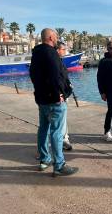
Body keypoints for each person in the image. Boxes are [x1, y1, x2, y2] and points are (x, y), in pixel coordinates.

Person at [29, 28, 78, 177]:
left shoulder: (36, 53)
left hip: (41, 99)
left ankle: (44, 160)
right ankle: (59, 165)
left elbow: (32, 74)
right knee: (57, 131)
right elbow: (56, 76)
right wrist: (60, 94)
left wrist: (40, 90)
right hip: (53, 100)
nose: (57, 38)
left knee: (43, 129)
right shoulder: (51, 53)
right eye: (55, 36)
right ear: (50, 37)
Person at [55, 41, 73, 151]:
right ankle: (61, 141)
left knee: (63, 120)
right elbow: (56, 79)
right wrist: (60, 94)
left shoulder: (60, 61)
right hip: (60, 96)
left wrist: (69, 87)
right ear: (58, 50)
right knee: (59, 121)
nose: (65, 51)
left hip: (64, 94)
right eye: (63, 49)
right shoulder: (54, 62)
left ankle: (65, 138)